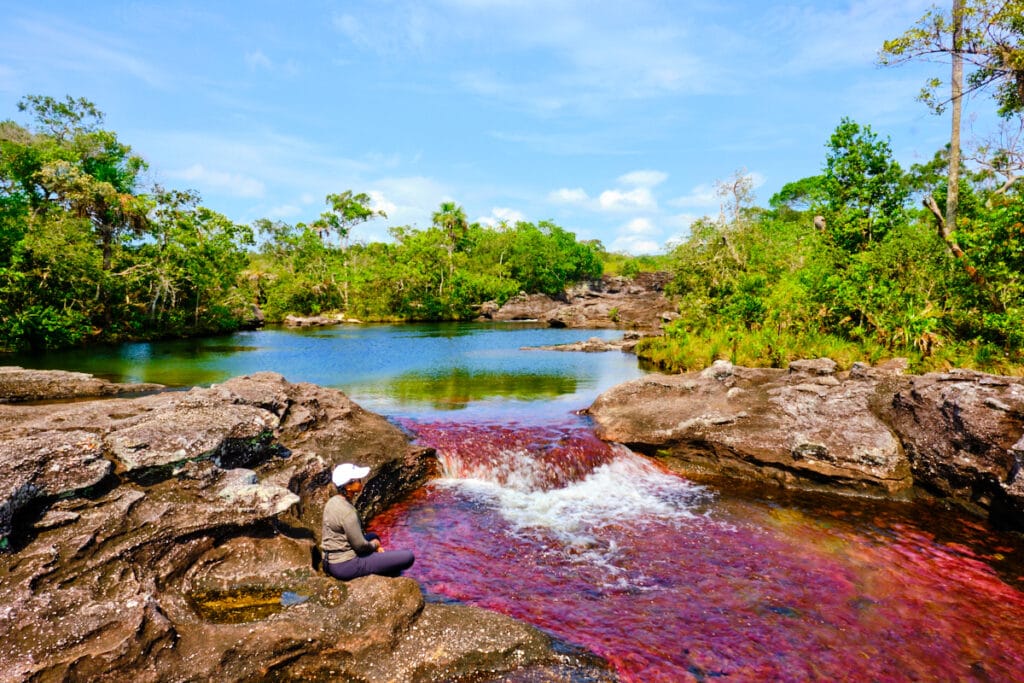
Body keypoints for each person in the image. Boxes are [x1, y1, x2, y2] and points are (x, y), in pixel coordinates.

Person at [321, 462, 415, 580]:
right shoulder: (348, 513)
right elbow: (360, 546)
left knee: (372, 535)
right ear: (348, 486)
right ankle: (383, 565)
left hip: (329, 561)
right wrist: (375, 545)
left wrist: (373, 542)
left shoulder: (333, 501)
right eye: (358, 480)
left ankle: (380, 560)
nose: (361, 481)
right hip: (345, 566)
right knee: (408, 557)